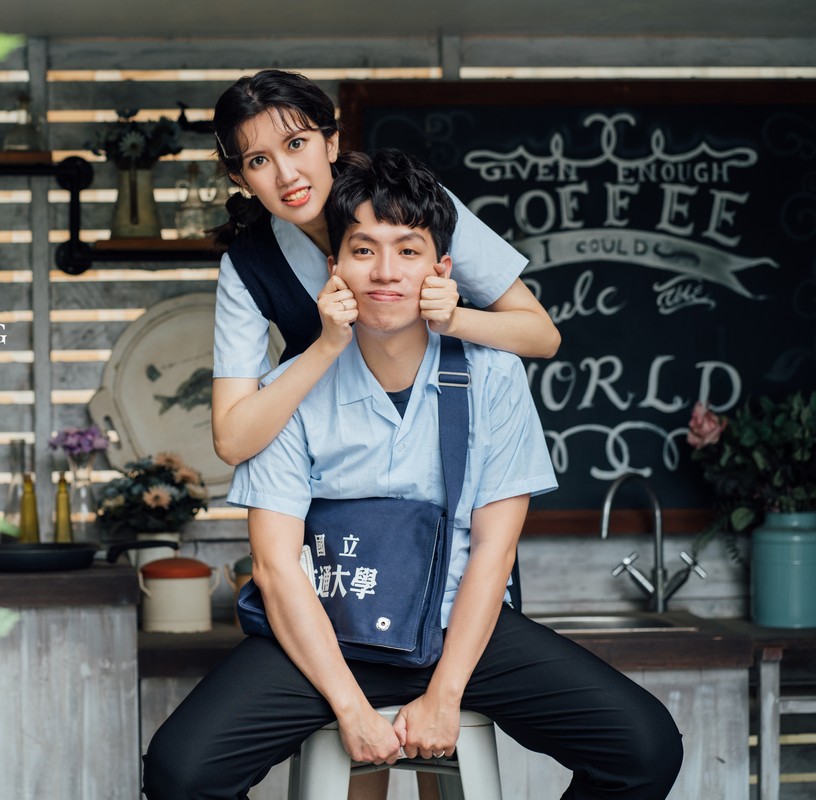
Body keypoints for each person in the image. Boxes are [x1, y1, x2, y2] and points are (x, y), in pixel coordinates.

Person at [143, 150, 682, 800]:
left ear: (441, 269)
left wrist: (446, 694)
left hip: (459, 626)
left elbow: (494, 547)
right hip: (329, 632)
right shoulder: (288, 391)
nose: (386, 273)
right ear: (335, 267)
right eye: (364, 251)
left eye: (408, 250)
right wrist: (350, 709)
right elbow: (275, 567)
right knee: (179, 772)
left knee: (645, 747)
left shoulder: (491, 374)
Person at [209, 69, 560, 468]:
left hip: (444, 434)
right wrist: (325, 346)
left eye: (296, 143)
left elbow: (541, 336)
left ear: (330, 141)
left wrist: (451, 320)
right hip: (332, 456)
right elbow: (233, 441)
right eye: (259, 160)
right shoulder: (248, 265)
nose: (286, 175)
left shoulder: (413, 203)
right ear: (241, 179)